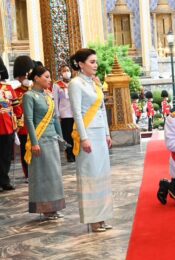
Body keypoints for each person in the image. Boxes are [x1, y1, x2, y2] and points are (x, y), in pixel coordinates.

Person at [69, 48, 113, 233]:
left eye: (96, 61)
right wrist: (84, 138)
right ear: (80, 64)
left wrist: (107, 133)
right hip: (87, 134)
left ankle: (102, 216)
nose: (96, 65)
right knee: (90, 176)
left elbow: (102, 110)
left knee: (101, 175)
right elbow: (77, 113)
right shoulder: (75, 84)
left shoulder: (94, 83)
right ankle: (93, 220)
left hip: (100, 134)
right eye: (92, 62)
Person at [23, 66, 65, 220]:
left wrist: (61, 138)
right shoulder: (29, 96)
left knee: (54, 175)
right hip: (40, 141)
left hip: (52, 139)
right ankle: (45, 208)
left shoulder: (48, 96)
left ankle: (54, 207)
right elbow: (28, 120)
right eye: (46, 77)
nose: (49, 80)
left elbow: (54, 119)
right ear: (36, 78)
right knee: (43, 176)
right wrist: (34, 142)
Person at [13, 56, 35, 181]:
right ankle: (28, 173)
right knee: (24, 150)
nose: (25, 78)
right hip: (23, 127)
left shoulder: (36, 90)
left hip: (37, 124)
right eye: (23, 76)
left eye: (27, 75)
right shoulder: (15, 92)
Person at [0, 81, 21, 191]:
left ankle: (4, 181)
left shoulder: (7, 87)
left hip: (8, 125)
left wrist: (18, 120)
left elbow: (15, 105)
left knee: (6, 156)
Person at [53, 64, 75, 162]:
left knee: (76, 134)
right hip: (65, 114)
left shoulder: (74, 83)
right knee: (67, 135)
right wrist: (57, 115)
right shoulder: (57, 85)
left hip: (75, 113)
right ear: (60, 73)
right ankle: (69, 154)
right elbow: (55, 101)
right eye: (64, 71)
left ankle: (76, 152)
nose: (66, 72)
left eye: (67, 70)